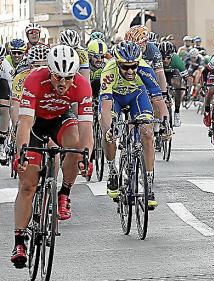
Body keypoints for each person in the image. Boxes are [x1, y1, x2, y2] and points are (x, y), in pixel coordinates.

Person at [11, 45, 93, 267]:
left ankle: (64, 193)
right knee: (28, 185)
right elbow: (25, 122)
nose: (63, 83)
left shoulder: (82, 84)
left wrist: (87, 156)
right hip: (36, 123)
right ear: (49, 71)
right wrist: (21, 153)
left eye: (68, 78)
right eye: (58, 77)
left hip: (60, 119)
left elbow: (86, 127)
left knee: (76, 146)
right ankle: (19, 240)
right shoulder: (34, 79)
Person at [100, 41, 160, 209]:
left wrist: (165, 123)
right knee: (108, 132)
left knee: (147, 134)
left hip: (137, 96)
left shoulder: (145, 69)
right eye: (125, 67)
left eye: (133, 66)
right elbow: (105, 107)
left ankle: (148, 183)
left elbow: (158, 99)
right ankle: (112, 171)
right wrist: (109, 127)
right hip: (115, 98)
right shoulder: (109, 70)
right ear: (117, 63)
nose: (130, 71)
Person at [124, 25, 171, 146]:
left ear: (145, 43)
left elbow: (159, 73)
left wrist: (163, 93)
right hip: (130, 77)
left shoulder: (153, 50)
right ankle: (127, 134)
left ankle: (155, 130)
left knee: (155, 99)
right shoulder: (126, 49)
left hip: (146, 76)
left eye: (138, 45)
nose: (136, 49)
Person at [159, 41, 188, 127]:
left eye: (168, 57)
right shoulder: (155, 59)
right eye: (163, 58)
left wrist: (187, 86)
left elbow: (186, 77)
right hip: (160, 73)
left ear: (172, 56)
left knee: (177, 84)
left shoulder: (176, 60)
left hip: (172, 73)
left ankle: (177, 111)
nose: (165, 60)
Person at [0, 45, 14, 164]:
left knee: (4, 84)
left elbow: (12, 88)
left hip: (2, 85)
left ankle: (2, 141)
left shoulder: (6, 67)